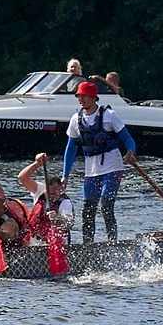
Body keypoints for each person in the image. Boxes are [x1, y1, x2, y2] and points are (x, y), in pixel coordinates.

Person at [59, 79, 137, 242]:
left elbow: (127, 139)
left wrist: (131, 152)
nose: (81, 99)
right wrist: (65, 174)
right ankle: (88, 245)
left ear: (94, 97)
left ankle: (112, 242)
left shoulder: (109, 116)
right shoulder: (76, 119)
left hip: (112, 168)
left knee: (106, 206)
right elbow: (70, 149)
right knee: (88, 210)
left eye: (84, 96)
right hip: (91, 172)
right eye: (79, 96)